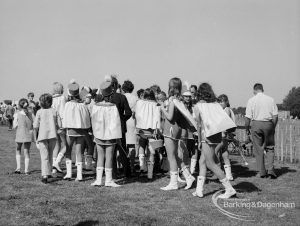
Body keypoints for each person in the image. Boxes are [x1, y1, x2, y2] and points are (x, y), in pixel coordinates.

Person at [192, 83, 236, 199]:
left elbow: (199, 125)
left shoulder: (198, 106)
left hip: (206, 136)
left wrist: (200, 140)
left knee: (210, 163)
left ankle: (229, 188)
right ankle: (199, 190)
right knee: (202, 161)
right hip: (216, 136)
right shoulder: (216, 105)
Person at [160, 77, 194, 191]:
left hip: (170, 129)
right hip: (177, 129)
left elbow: (169, 117)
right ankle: (188, 177)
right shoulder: (180, 100)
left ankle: (173, 183)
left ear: (172, 87)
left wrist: (162, 108)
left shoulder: (172, 100)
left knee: (171, 157)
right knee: (176, 156)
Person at [91, 81, 122, 187]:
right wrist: (117, 136)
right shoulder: (113, 107)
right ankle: (108, 180)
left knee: (100, 157)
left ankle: (99, 180)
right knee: (109, 157)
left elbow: (93, 121)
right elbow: (117, 122)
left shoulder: (95, 106)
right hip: (111, 134)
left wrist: (95, 133)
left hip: (98, 134)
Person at [245, 83, 278, 179]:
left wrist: (247, 129)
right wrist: (273, 127)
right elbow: (275, 116)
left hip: (256, 124)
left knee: (259, 149)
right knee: (270, 148)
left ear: (254, 90)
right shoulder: (271, 99)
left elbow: (247, 118)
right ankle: (271, 170)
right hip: (268, 124)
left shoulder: (251, 100)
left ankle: (262, 172)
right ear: (262, 89)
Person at [62, 80, 91, 181]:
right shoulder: (82, 105)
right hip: (81, 132)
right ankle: (79, 175)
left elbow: (64, 117)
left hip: (70, 131)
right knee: (79, 152)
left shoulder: (68, 105)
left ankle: (69, 174)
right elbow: (86, 119)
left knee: (68, 151)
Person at [33, 94, 62, 184]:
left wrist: (35, 139)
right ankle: (48, 172)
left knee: (44, 156)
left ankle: (45, 175)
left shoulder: (39, 112)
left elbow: (35, 126)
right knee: (50, 155)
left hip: (42, 137)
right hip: (53, 136)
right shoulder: (54, 111)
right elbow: (60, 125)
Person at [135, 88, 161, 179]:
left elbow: (136, 114)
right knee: (151, 151)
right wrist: (157, 129)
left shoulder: (139, 103)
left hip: (141, 129)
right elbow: (157, 118)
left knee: (142, 146)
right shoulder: (156, 104)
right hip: (152, 130)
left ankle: (142, 167)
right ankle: (150, 174)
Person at [109, 75, 132, 178]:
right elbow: (128, 113)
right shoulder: (121, 97)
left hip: (109, 128)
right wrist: (121, 120)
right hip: (120, 127)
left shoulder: (106, 98)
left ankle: (113, 173)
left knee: (112, 152)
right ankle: (127, 172)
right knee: (122, 151)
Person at [215, 94, 235, 181]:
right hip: (224, 135)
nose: (220, 103)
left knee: (215, 153)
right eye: (219, 102)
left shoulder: (226, 110)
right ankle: (229, 174)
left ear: (226, 102)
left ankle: (219, 173)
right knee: (224, 153)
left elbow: (224, 121)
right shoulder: (227, 109)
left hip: (222, 135)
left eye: (222, 101)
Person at [13, 98, 34, 174]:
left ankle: (18, 168)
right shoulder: (31, 114)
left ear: (19, 105)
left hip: (19, 134)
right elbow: (33, 124)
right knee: (27, 152)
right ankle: (26, 170)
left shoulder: (17, 114)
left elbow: (14, 126)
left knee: (18, 149)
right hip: (28, 134)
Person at [122, 80, 138, 174]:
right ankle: (132, 166)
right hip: (132, 120)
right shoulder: (135, 98)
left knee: (123, 145)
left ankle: (123, 165)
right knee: (132, 145)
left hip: (123, 120)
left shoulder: (122, 96)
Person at [51, 82, 67, 173]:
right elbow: (63, 112)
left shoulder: (51, 98)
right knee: (66, 145)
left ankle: (54, 167)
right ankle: (56, 162)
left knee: (56, 145)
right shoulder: (62, 98)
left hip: (53, 124)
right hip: (61, 123)